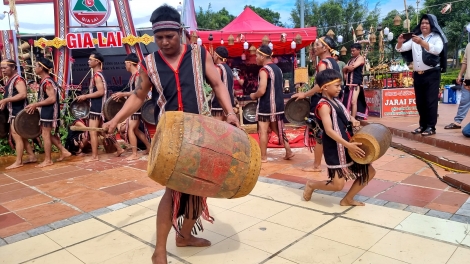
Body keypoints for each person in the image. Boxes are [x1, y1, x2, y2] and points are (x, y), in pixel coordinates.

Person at [101, 5, 239, 264]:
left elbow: (218, 83)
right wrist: (116, 119)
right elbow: (139, 95)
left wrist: (230, 113)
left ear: (181, 32)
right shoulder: (149, 63)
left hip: (202, 133)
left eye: (170, 36)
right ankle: (160, 250)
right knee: (172, 191)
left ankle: (185, 236)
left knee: (199, 188)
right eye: (159, 37)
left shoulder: (199, 53)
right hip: (172, 138)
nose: (164, 42)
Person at [302, 69, 376, 206]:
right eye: (336, 85)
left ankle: (347, 199)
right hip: (335, 148)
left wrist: (352, 119)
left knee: (369, 172)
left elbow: (344, 116)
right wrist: (349, 146)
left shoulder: (336, 101)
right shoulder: (323, 105)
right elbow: (329, 131)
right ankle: (312, 184)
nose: (339, 88)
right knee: (337, 186)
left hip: (348, 143)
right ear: (325, 87)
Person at [292, 36, 341, 172]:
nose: (314, 47)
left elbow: (320, 86)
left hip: (322, 102)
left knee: (319, 133)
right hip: (333, 102)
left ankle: (317, 166)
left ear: (325, 48)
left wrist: (304, 94)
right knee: (327, 131)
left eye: (317, 44)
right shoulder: (335, 62)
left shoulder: (323, 63)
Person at [396, 14, 447, 136]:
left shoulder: (436, 37)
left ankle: (431, 127)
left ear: (431, 25)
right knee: (420, 101)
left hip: (432, 73)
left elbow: (437, 50)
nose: (424, 25)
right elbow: (401, 49)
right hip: (418, 74)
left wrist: (422, 42)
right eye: (422, 23)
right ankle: (422, 125)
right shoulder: (415, 38)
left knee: (430, 101)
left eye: (427, 23)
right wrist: (399, 42)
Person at [76, 51, 123, 161]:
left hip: (97, 107)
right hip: (99, 106)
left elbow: (101, 92)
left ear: (97, 62)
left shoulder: (97, 76)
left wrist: (85, 96)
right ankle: (119, 149)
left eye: (90, 59)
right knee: (102, 131)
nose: (88, 61)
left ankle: (95, 156)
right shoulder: (99, 74)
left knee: (92, 131)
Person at [250, 45, 294, 163]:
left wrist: (253, 95)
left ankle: (263, 157)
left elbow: (262, 90)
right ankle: (288, 151)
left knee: (263, 130)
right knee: (277, 128)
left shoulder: (264, 70)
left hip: (266, 105)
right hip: (278, 104)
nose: (256, 58)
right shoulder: (277, 69)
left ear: (263, 56)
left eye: (257, 56)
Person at [24, 58, 71, 167]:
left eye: (36, 65)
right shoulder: (45, 81)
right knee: (47, 134)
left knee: (45, 135)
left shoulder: (47, 82)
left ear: (41, 68)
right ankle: (64, 151)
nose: (34, 68)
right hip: (47, 110)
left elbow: (52, 99)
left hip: (50, 111)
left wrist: (36, 104)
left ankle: (48, 160)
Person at [111, 53, 151, 160]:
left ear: (129, 63)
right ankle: (149, 147)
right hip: (136, 105)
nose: (125, 66)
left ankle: (134, 154)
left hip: (137, 106)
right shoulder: (133, 76)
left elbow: (138, 91)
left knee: (131, 129)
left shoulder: (137, 75)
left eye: (125, 64)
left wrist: (123, 94)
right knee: (136, 130)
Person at [0, 59, 37, 169]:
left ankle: (18, 161)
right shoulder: (10, 80)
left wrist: (6, 100)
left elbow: (23, 94)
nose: (3, 70)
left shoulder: (18, 79)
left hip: (19, 112)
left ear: (13, 67)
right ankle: (31, 156)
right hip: (13, 112)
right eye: (1, 68)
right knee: (21, 136)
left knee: (17, 136)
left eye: (5, 68)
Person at [445, 42, 470, 130]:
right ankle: (457, 122)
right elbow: (465, 61)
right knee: (464, 101)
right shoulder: (469, 45)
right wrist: (460, 75)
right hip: (468, 80)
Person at [342, 43, 368, 120]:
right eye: (351, 51)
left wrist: (346, 68)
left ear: (359, 50)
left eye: (353, 51)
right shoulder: (351, 60)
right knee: (348, 101)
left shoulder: (360, 58)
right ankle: (350, 117)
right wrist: (346, 67)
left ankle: (353, 118)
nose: (352, 52)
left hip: (356, 83)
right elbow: (344, 69)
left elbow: (351, 68)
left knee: (353, 101)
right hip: (348, 83)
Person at [211, 46, 235, 120]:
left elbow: (214, 85)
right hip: (229, 103)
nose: (213, 56)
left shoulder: (217, 68)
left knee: (216, 129)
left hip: (218, 104)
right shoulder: (229, 69)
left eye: (214, 55)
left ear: (217, 56)